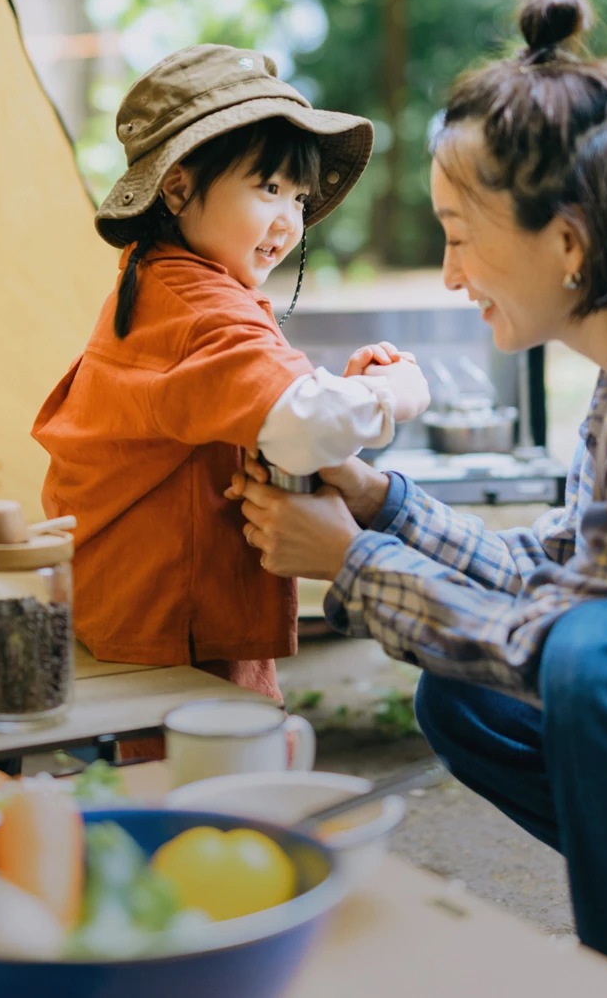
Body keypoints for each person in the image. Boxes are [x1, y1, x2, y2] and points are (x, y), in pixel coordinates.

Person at [230, 0, 607, 998]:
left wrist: (350, 563)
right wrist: (380, 501)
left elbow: (548, 645)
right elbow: (559, 568)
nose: (450, 274)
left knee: (597, 663)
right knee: (465, 695)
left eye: (459, 235)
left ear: (569, 243)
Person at [32, 44, 430, 724]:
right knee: (211, 774)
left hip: (155, 615)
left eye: (298, 197)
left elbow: (265, 412)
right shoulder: (197, 308)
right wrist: (394, 395)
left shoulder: (165, 285)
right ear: (178, 188)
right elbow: (301, 426)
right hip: (174, 640)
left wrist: (334, 397)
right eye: (267, 188)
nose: (288, 220)